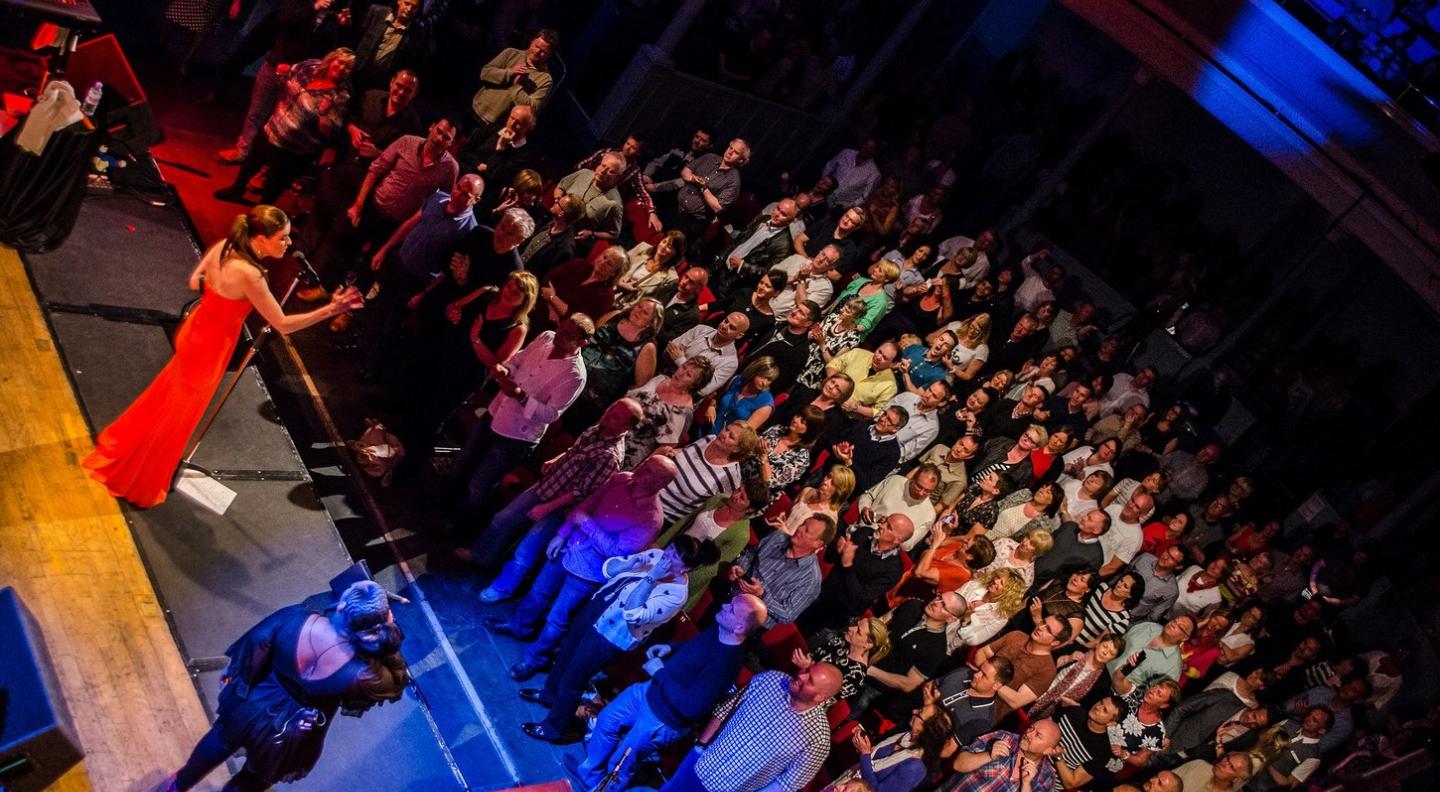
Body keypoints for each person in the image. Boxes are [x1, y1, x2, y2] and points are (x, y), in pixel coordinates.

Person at [84, 206, 362, 508]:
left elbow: (196, 281)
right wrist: (331, 310)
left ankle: (134, 454)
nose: (289, 243)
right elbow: (282, 324)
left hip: (194, 333)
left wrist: (220, 299)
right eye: (282, 238)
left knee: (165, 399)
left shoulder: (226, 247)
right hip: (210, 350)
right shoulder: (251, 275)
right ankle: (139, 476)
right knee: (177, 417)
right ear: (260, 239)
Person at [160, 581, 407, 792]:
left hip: (251, 703)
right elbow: (396, 682)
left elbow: (256, 641)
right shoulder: (363, 674)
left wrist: (237, 674)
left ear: (341, 605)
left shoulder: (293, 617)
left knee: (221, 739)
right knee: (255, 777)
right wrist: (388, 638)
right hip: (291, 731)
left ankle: (176, 787)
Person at [489, 455, 679, 679]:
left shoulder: (651, 519)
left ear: (659, 484)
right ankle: (519, 626)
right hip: (569, 547)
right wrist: (562, 534)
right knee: (538, 593)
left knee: (557, 617)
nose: (641, 468)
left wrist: (586, 524)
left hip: (590, 570)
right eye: (645, 463)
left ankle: (534, 659)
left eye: (649, 471)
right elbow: (587, 504)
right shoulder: (621, 479)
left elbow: (617, 552)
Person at [521, 536, 718, 743]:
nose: (667, 556)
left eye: (675, 556)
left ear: (686, 568)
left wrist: (651, 578)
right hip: (598, 607)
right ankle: (548, 695)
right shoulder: (656, 555)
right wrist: (630, 563)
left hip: (611, 633)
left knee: (575, 677)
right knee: (565, 655)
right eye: (670, 548)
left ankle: (553, 728)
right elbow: (607, 570)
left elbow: (633, 614)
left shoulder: (676, 595)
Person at [571, 594, 768, 791]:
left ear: (739, 628)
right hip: (649, 691)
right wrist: (670, 648)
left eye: (731, 609)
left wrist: (660, 672)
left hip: (662, 719)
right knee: (607, 720)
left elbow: (691, 707)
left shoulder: (725, 665)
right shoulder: (719, 629)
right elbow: (694, 648)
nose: (724, 605)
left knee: (621, 763)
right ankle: (588, 776)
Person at [463, 398, 641, 575]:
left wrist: (547, 507)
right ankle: (479, 557)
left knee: (527, 548)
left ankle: (501, 584)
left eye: (616, 416)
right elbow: (574, 451)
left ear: (625, 427)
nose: (608, 414)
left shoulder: (610, 456)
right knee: (502, 519)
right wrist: (556, 459)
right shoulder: (597, 429)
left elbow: (581, 491)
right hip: (549, 484)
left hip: (561, 507)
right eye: (611, 409)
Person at [453, 314, 594, 519]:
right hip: (496, 411)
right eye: (561, 327)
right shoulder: (547, 337)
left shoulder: (575, 376)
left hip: (516, 435)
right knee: (465, 461)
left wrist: (521, 396)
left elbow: (551, 414)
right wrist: (506, 370)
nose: (559, 334)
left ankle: (460, 522)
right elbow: (519, 359)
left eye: (567, 335)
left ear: (581, 343)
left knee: (480, 483)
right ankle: (444, 503)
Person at [660, 665, 843, 792]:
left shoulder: (817, 739)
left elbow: (787, 784)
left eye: (809, 680)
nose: (801, 676)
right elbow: (725, 711)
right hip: (700, 763)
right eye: (807, 670)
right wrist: (699, 747)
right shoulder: (771, 680)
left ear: (820, 697)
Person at [215, 48, 356, 204]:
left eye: (347, 67)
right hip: (273, 128)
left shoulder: (341, 95)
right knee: (252, 161)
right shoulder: (310, 67)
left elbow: (329, 133)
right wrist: (281, 72)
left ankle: (263, 212)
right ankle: (236, 190)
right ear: (331, 59)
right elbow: (287, 77)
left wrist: (324, 113)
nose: (341, 68)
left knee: (275, 183)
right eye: (340, 62)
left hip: (294, 147)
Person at [798, 513, 912, 632]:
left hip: (834, 617)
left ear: (897, 540)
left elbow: (859, 599)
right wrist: (838, 550)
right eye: (885, 521)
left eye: (888, 526)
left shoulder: (893, 570)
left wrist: (848, 566)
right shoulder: (864, 533)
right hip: (818, 594)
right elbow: (828, 558)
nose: (881, 525)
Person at [728, 514, 833, 627]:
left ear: (818, 543)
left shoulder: (811, 580)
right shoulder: (777, 537)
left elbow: (787, 615)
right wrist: (741, 567)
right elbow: (750, 554)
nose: (799, 529)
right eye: (802, 524)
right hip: (731, 596)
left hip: (749, 623)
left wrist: (762, 595)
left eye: (806, 530)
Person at [829, 705, 954, 792]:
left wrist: (865, 755)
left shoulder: (915, 768)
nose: (914, 711)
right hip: (847, 782)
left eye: (919, 713)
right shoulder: (905, 736)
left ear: (926, 729)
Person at [972, 616, 1074, 720]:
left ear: (1055, 642)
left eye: (1048, 629)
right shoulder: (1016, 636)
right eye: (1043, 622)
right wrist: (985, 676)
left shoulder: (1047, 670)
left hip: (985, 711)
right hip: (970, 683)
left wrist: (988, 679)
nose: (1040, 627)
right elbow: (982, 653)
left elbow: (1016, 701)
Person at [469, 30, 557, 138]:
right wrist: (509, 73)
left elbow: (532, 109)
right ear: (531, 41)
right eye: (536, 46)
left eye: (543, 51)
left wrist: (516, 87)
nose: (537, 51)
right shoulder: (511, 53)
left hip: (496, 127)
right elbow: (485, 73)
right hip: (475, 110)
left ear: (549, 55)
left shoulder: (545, 79)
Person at [940, 720, 1065, 792]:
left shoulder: (1046, 779)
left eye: (1038, 735)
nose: (1029, 733)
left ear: (1048, 750)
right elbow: (958, 764)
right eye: (1031, 727)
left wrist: (1026, 784)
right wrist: (988, 756)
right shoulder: (1004, 738)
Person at [667, 138, 750, 242]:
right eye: (731, 148)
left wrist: (704, 188)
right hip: (673, 207)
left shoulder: (734, 181)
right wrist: (692, 179)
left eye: (736, 152)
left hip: (691, 223)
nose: (730, 152)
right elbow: (685, 171)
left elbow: (718, 207)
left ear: (741, 160)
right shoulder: (709, 157)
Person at [1029, 632, 1127, 719]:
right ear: (1098, 644)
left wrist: (1074, 705)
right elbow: (1047, 663)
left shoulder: (1104, 682)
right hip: (1034, 690)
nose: (1105, 652)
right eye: (1105, 646)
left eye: (1111, 653)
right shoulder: (1077, 649)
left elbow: (1086, 709)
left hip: (1055, 714)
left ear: (1113, 659)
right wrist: (1068, 658)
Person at [927, 658, 1013, 743]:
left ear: (996, 686)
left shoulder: (982, 721)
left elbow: (947, 748)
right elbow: (929, 685)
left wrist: (930, 708)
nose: (976, 675)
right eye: (979, 669)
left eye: (983, 675)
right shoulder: (963, 673)